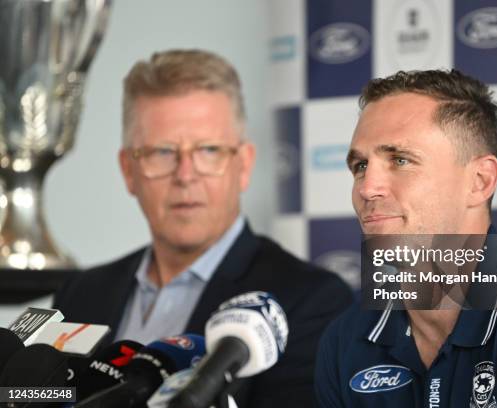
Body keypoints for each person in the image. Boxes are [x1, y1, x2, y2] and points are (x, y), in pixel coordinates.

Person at [53, 49, 353, 407]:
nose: (185, 175)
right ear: (128, 171)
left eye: (208, 150)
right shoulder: (80, 294)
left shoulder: (310, 302)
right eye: (162, 152)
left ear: (243, 166)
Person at [315, 69, 497, 407]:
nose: (367, 188)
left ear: (480, 181)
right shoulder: (346, 339)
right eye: (360, 166)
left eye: (400, 160)